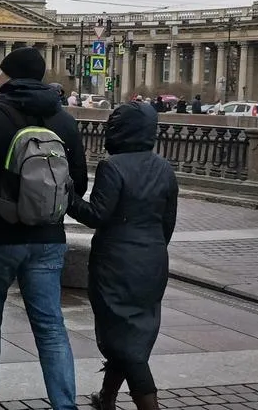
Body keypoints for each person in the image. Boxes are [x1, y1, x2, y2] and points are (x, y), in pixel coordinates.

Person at [0, 47, 88, 410]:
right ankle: (64, 405)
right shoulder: (65, 121)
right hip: (48, 237)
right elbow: (77, 182)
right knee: (50, 325)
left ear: (7, 76)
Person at [68, 102, 178, 410]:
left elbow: (97, 215)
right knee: (132, 334)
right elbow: (167, 222)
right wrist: (151, 249)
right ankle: (106, 398)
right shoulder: (164, 167)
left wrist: (67, 198)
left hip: (116, 263)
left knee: (122, 341)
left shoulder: (112, 166)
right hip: (153, 261)